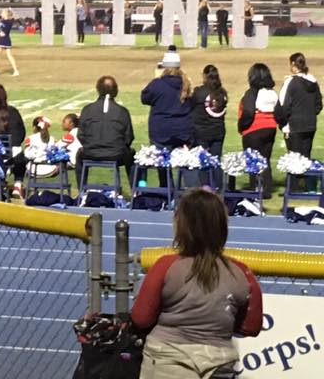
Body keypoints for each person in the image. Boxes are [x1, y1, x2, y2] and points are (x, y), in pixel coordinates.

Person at [131, 189, 263, 378]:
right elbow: (251, 326)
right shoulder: (242, 273)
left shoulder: (166, 266)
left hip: (167, 357)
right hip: (220, 361)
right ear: (222, 226)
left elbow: (141, 318)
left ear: (182, 225)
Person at [141, 49, 193, 184]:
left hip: (161, 132)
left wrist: (156, 78)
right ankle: (190, 189)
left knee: (162, 164)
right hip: (183, 132)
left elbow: (144, 98)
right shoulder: (186, 83)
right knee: (186, 165)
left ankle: (166, 189)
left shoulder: (158, 84)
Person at [76, 76, 135, 185]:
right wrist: (118, 148)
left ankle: (82, 189)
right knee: (132, 154)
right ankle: (136, 189)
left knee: (79, 155)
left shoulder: (87, 109)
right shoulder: (122, 111)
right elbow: (129, 137)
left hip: (90, 153)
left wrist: (91, 146)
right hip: (117, 154)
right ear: (116, 91)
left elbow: (81, 135)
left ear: (98, 89)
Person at [238, 63, 277, 199]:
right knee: (265, 159)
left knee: (253, 160)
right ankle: (266, 189)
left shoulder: (251, 93)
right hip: (270, 128)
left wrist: (242, 126)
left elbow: (248, 112)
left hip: (254, 129)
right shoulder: (272, 93)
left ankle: (255, 188)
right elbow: (279, 111)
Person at [274, 52, 322, 158]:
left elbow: (282, 106)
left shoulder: (290, 82)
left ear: (293, 64)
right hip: (310, 126)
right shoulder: (313, 81)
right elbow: (318, 105)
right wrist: (309, 115)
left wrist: (282, 123)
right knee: (306, 160)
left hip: (294, 127)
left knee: (294, 161)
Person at [190, 65, 227, 187]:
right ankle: (219, 189)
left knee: (203, 162)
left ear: (204, 76)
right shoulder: (222, 93)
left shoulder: (199, 92)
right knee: (216, 161)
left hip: (202, 133)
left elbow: (190, 106)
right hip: (218, 132)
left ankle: (205, 189)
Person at [0, 9, 19, 77]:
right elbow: (16, 16)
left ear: (6, 14)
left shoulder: (3, 22)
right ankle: (16, 71)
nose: (1, 14)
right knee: (9, 55)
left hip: (2, 40)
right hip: (8, 39)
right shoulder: (11, 21)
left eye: (2, 13)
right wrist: (11, 11)